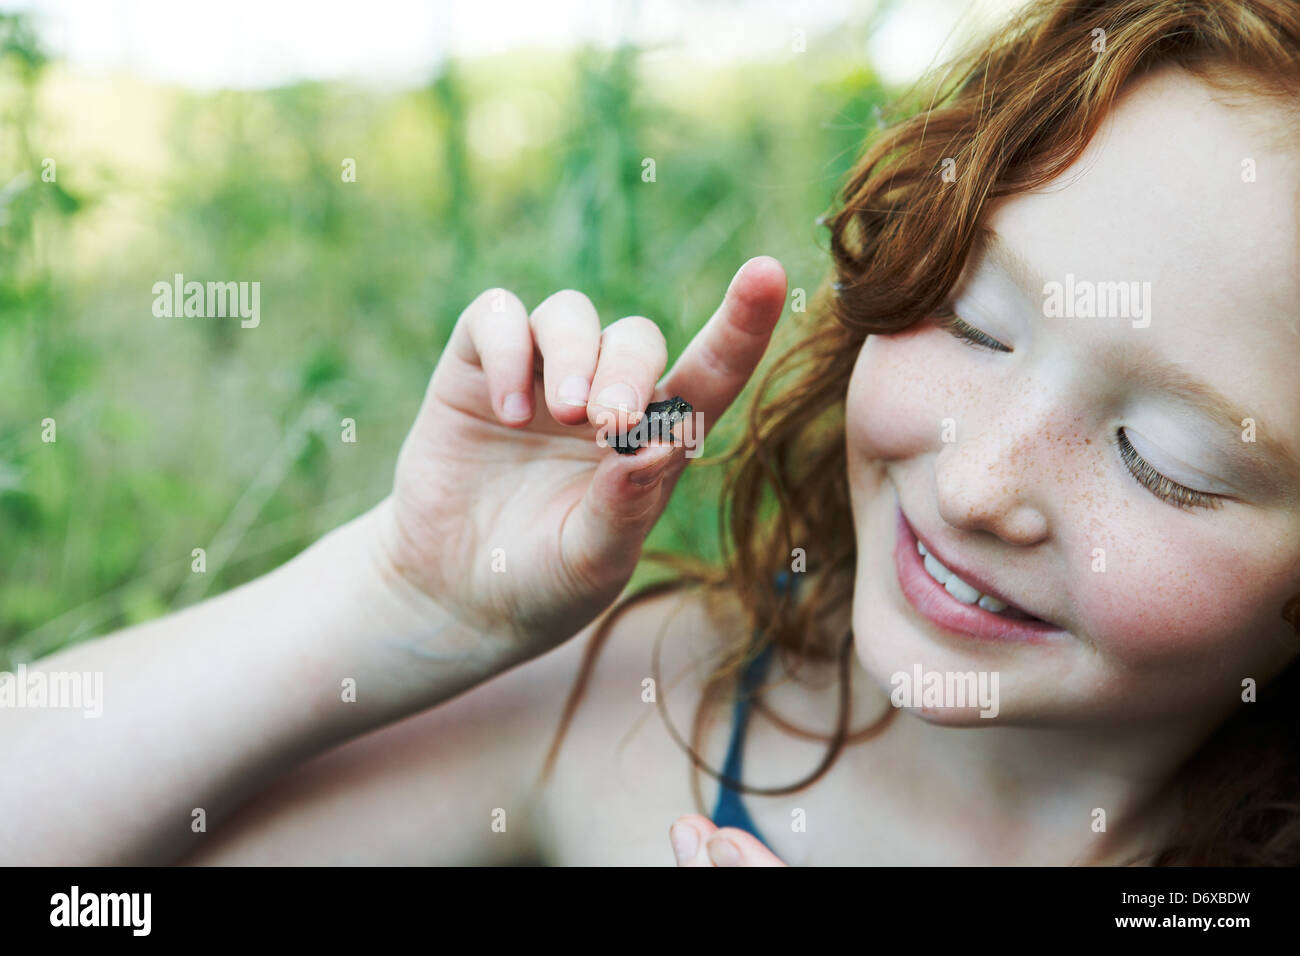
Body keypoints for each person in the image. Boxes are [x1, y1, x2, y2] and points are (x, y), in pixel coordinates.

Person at [3, 0, 1298, 866]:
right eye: (971, 323)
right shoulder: (643, 701)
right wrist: (396, 597)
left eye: (1162, 462)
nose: (975, 484)